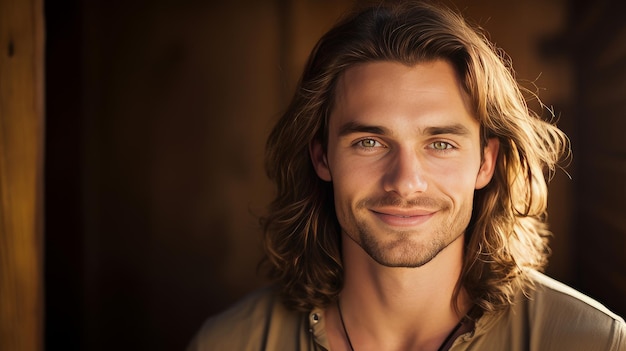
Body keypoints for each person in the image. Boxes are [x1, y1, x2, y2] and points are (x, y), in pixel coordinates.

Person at [189, 1, 626, 350]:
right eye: (369, 142)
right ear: (322, 158)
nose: (405, 181)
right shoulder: (228, 343)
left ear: (485, 162)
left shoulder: (591, 342)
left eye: (440, 143)